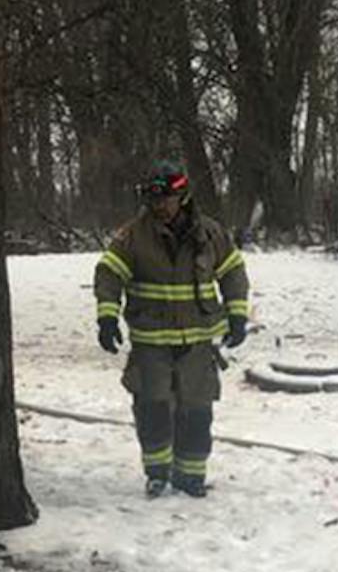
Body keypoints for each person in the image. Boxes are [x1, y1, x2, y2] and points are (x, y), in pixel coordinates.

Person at [94, 159, 251, 498]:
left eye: (164, 198)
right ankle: (157, 473)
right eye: (152, 199)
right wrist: (107, 316)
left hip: (197, 343)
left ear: (182, 196)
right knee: (152, 409)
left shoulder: (210, 233)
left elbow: (233, 271)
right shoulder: (132, 235)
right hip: (151, 343)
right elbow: (109, 273)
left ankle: (191, 475)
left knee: (197, 410)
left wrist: (237, 314)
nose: (158, 206)